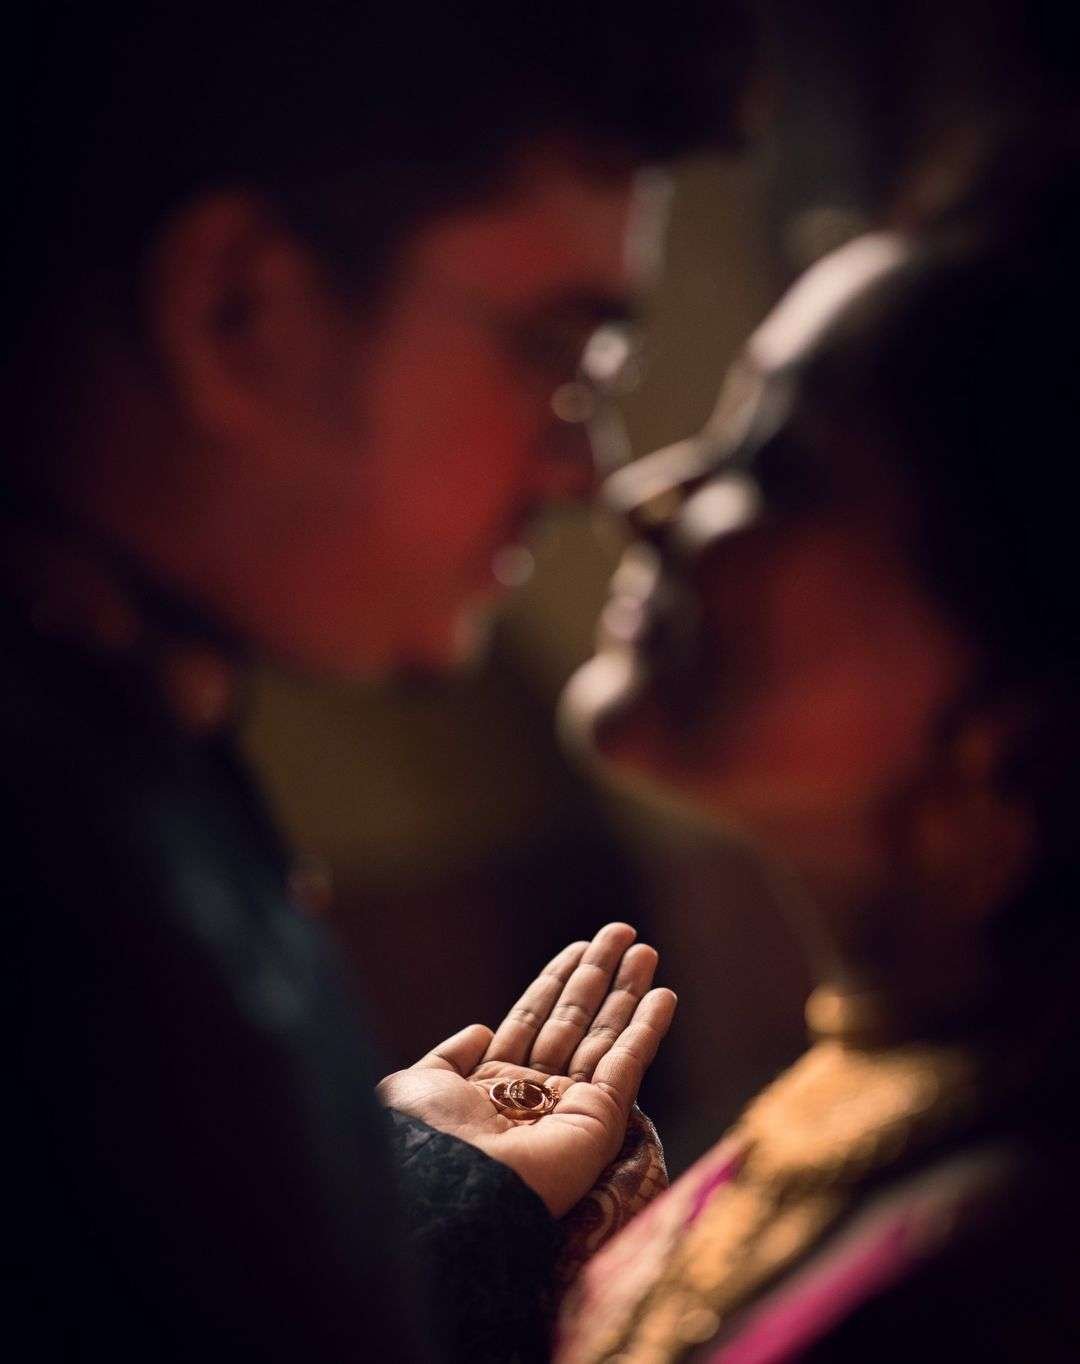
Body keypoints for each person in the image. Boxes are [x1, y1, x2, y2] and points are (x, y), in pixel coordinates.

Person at [4, 5, 750, 1360]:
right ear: (238, 314)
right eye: (553, 350)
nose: (584, 469)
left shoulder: (139, 729)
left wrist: (421, 1197)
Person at [554, 149, 1080, 1361]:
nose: (646, 492)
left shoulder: (1008, 1274)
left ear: (1013, 738)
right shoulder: (876, 1093)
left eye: (774, 463)